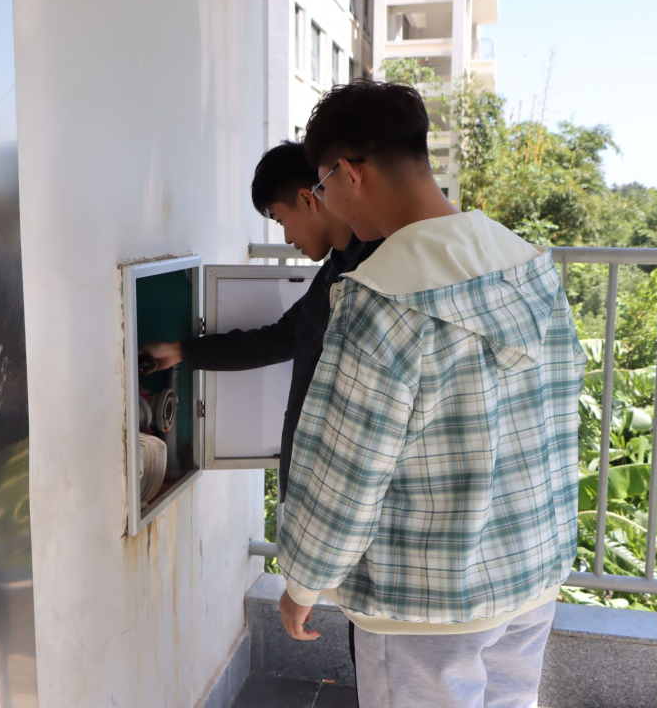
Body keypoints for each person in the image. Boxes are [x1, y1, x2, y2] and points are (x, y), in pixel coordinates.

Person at [276, 80, 586, 708]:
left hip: (422, 601)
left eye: (323, 186)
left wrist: (303, 583)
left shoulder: (381, 297)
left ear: (350, 173)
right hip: (529, 574)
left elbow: (347, 469)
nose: (327, 202)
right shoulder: (527, 265)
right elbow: (557, 415)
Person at [139, 140, 381, 670]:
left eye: (280, 219)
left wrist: (305, 582)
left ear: (309, 198)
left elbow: (366, 446)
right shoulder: (339, 269)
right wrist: (183, 352)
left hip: (373, 537)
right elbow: (282, 337)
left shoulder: (373, 277)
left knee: (384, 670)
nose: (287, 238)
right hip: (353, 538)